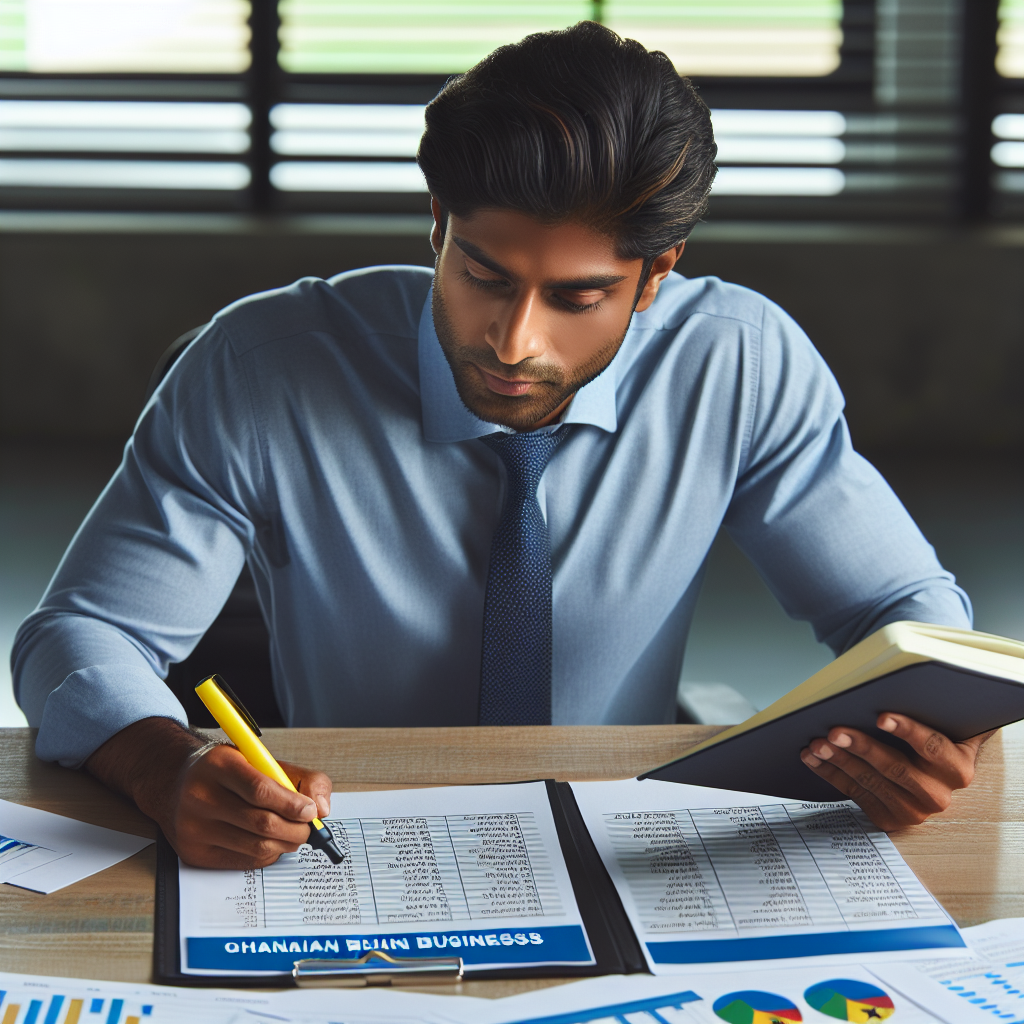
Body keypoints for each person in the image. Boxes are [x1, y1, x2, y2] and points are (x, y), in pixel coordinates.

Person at [12, 23, 986, 870]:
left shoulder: (740, 361)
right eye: (483, 273)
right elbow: (81, 636)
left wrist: (929, 737)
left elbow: (902, 612)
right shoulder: (259, 366)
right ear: (436, 225)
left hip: (618, 820)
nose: (514, 341)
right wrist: (162, 761)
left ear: (654, 276)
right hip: (350, 825)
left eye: (576, 297)